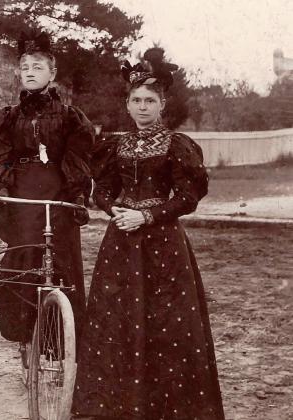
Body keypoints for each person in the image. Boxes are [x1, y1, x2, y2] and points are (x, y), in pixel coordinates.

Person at [72, 48, 225, 419]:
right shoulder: (115, 144)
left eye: (149, 101)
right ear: (127, 104)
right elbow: (102, 189)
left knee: (167, 322)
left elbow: (188, 197)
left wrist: (148, 217)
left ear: (162, 104)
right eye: (136, 100)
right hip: (121, 241)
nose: (142, 107)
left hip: (163, 244)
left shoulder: (176, 145)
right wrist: (116, 211)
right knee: (118, 319)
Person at [0, 30, 94, 354]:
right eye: (25, 66)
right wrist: (0, 183)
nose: (30, 71)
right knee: (24, 257)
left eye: (38, 66)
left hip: (59, 191)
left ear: (52, 73)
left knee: (62, 262)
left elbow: (78, 157)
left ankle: (61, 347)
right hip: (21, 191)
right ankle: (26, 338)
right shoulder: (8, 117)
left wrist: (76, 193)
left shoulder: (71, 118)